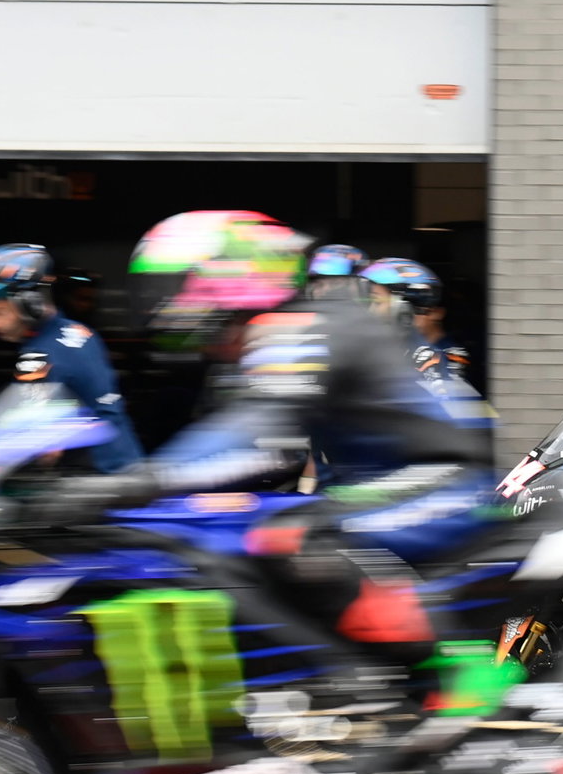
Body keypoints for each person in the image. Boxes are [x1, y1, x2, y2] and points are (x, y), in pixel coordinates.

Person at [66, 210, 496, 684]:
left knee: (296, 539)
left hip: (443, 480)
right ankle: (344, 683)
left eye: (181, 285)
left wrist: (143, 480)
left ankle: (458, 671)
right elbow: (265, 438)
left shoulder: (307, 326)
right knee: (240, 533)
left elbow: (262, 428)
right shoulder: (279, 332)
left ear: (226, 277)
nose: (169, 303)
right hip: (377, 487)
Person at [0, 244, 143, 473]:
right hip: (127, 464)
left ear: (30, 305)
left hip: (96, 484)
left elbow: (43, 446)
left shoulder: (37, 357)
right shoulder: (81, 332)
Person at [362, 257, 472, 394]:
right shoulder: (383, 350)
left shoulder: (431, 359)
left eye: (376, 301)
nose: (371, 310)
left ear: (402, 309)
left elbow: (446, 405)